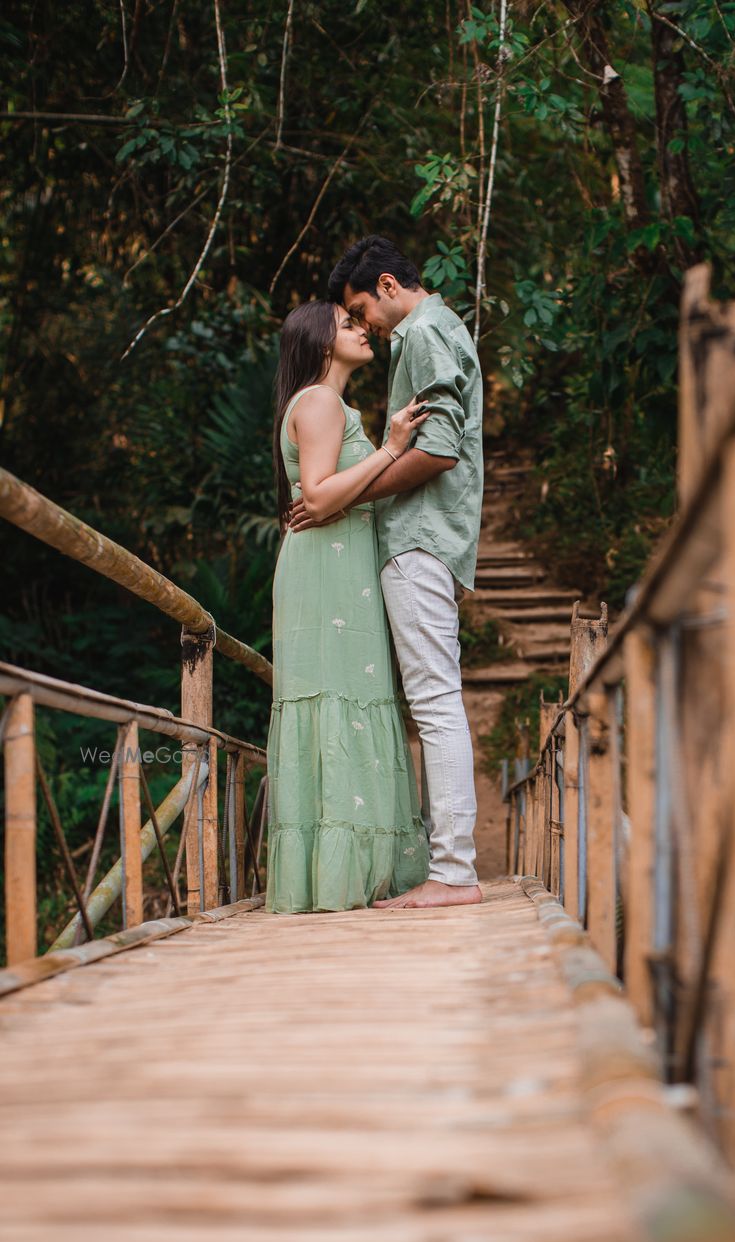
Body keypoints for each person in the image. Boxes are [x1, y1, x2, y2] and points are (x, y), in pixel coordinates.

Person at [290, 236, 483, 910]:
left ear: (388, 286)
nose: (364, 323)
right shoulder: (439, 329)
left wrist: (347, 494)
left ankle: (454, 873)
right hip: (427, 538)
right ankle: (448, 867)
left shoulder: (422, 333)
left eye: (359, 308)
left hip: (421, 538)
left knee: (434, 701)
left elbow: (439, 451)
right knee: (434, 699)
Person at [265, 298, 431, 912]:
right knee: (339, 700)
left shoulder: (328, 405)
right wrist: (391, 450)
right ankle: (335, 879)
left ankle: (343, 872)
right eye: (347, 323)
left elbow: (327, 493)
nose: (362, 329)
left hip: (339, 571)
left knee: (353, 699)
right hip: (324, 576)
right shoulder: (319, 402)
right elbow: (317, 492)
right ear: (319, 342)